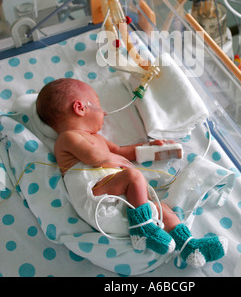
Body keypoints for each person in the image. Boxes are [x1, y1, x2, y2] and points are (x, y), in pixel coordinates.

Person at [36, 78, 227, 268]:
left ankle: (190, 246)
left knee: (164, 210)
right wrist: (112, 161)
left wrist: (148, 148)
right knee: (133, 176)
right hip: (95, 197)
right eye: (99, 106)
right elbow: (93, 157)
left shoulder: (96, 139)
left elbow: (120, 151)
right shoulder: (67, 138)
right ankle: (142, 229)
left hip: (122, 198)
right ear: (80, 108)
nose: (104, 112)